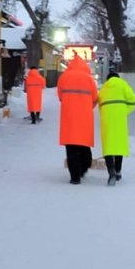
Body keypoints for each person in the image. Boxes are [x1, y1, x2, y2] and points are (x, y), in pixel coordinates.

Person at [56, 56, 99, 184]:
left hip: (68, 116)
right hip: (84, 117)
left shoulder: (63, 77)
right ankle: (84, 168)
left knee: (71, 147)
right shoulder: (89, 78)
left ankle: (74, 177)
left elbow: (60, 96)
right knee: (84, 143)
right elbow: (95, 98)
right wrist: (87, 107)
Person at [98, 71, 135, 186]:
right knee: (119, 146)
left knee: (108, 146)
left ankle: (111, 172)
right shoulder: (123, 84)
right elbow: (134, 101)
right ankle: (118, 171)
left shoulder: (103, 88)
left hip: (107, 118)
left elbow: (100, 105)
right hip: (120, 119)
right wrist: (124, 111)